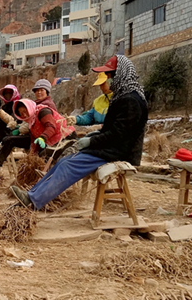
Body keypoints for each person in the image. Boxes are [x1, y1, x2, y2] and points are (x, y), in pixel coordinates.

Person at [11, 55, 148, 210]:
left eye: (109, 75)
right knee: (63, 161)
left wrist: (91, 141)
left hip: (120, 151)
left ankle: (34, 200)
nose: (108, 80)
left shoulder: (131, 101)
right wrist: (92, 135)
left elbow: (118, 135)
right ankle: (31, 195)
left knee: (68, 166)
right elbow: (111, 130)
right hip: (111, 147)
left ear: (121, 74)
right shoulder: (123, 97)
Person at [0, 79, 58, 172]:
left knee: (8, 140)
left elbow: (41, 124)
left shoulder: (45, 107)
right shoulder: (33, 105)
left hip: (42, 138)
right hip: (32, 135)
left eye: (42, 90)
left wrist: (20, 129)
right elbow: (24, 120)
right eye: (37, 90)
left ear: (47, 92)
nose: (39, 93)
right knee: (5, 140)